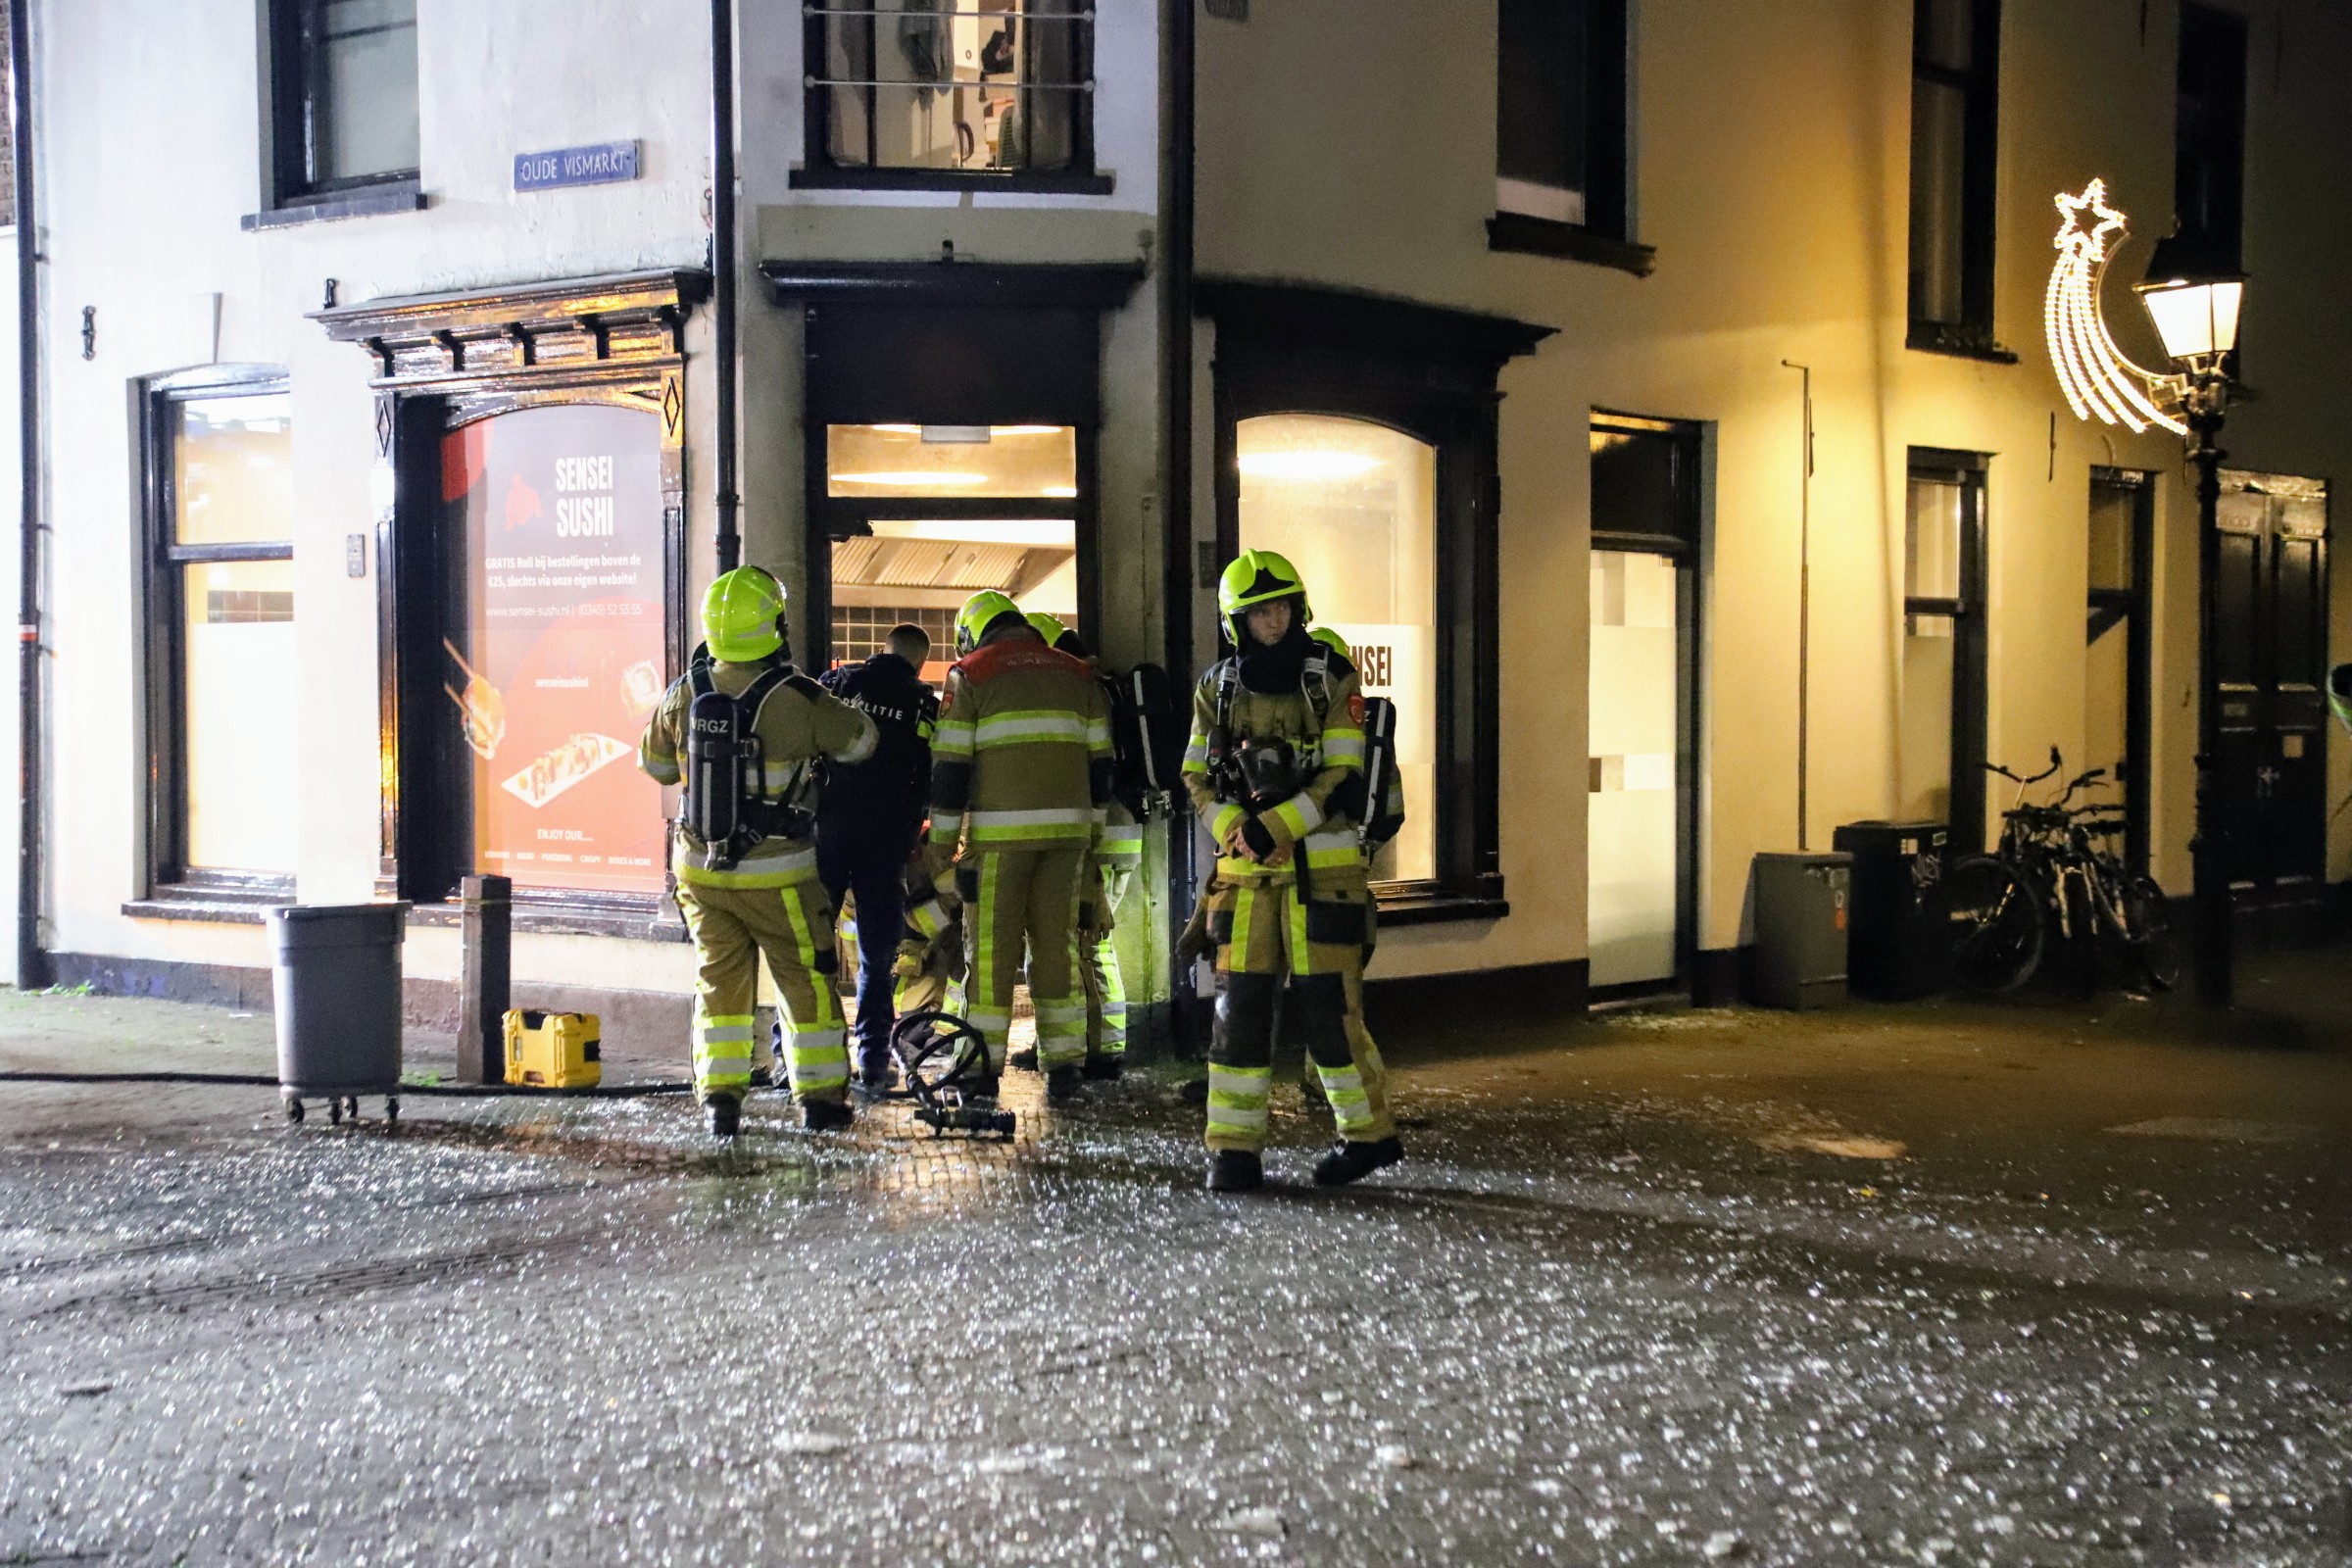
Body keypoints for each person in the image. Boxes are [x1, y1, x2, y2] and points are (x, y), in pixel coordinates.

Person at [1181, 550, 1401, 1192]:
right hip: (1246, 879)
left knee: (1328, 1012)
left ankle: (1369, 1137)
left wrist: (1272, 828)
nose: (1271, 623)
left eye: (1279, 609)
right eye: (1257, 614)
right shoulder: (1215, 687)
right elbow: (1196, 776)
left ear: (1298, 609)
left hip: (1320, 874)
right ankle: (1233, 1151)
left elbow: (1343, 774)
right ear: (1236, 622)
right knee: (1238, 1015)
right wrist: (1233, 830)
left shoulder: (1331, 679)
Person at [638, 567, 878, 1138]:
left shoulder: (684, 692)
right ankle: (820, 1101)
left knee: (718, 979)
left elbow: (656, 767)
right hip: (779, 875)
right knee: (804, 979)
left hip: (701, 872)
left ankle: (721, 1100)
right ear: (772, 625)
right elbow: (864, 742)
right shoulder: (798, 699)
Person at [927, 590, 1112, 1103]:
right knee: (1056, 951)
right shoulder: (1078, 674)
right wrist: (1091, 836)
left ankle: (980, 1071)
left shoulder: (970, 674)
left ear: (974, 632)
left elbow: (950, 770)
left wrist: (940, 845)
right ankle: (1066, 1069)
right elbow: (1102, 766)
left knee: (990, 958)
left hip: (1000, 842)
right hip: (1069, 838)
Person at [817, 622, 940, 1090]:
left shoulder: (838, 683)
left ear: (880, 651)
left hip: (828, 834)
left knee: (810, 948)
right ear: (919, 662)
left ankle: (796, 1054)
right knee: (876, 955)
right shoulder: (924, 704)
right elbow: (929, 774)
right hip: (885, 843)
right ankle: (871, 1061)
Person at [1024, 612, 1140, 1079]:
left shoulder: (1079, 691)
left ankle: (1101, 1049)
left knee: (1086, 943)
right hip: (1117, 829)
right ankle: (1094, 1043)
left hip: (1098, 834)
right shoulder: (1099, 687)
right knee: (1090, 942)